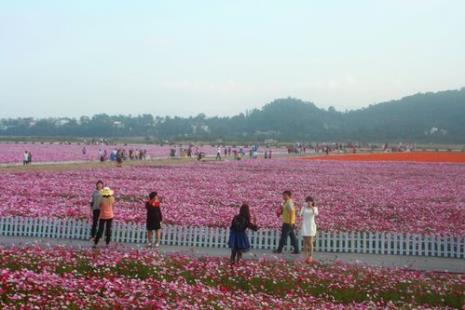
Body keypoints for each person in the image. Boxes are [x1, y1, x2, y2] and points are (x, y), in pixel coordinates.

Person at [300, 196, 319, 263]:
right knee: (305, 242)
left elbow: (316, 214)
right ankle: (305, 256)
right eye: (307, 201)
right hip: (305, 225)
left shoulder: (315, 208)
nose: (308, 202)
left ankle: (310, 256)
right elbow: (300, 214)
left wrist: (311, 207)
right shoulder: (303, 208)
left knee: (310, 241)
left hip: (311, 226)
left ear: (312, 202)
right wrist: (304, 207)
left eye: (310, 201)